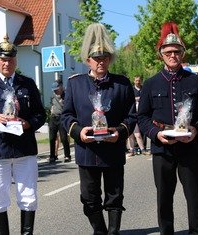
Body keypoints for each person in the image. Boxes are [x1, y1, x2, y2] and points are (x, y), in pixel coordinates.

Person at [138, 22, 198, 235]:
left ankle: (197, 232)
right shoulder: (151, 84)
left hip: (190, 148)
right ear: (161, 54)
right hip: (162, 149)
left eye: (177, 51)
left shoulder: (196, 81)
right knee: (163, 197)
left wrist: (197, 130)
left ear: (182, 53)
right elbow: (142, 117)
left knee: (195, 196)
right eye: (168, 52)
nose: (173, 55)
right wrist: (155, 134)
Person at [61, 23, 136, 235]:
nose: (100, 62)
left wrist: (119, 133)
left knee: (114, 196)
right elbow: (66, 116)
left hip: (112, 150)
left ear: (110, 59)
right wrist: (78, 132)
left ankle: (113, 232)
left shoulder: (122, 84)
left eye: (104, 57)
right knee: (89, 197)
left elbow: (131, 116)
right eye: (96, 58)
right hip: (87, 152)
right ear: (88, 60)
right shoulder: (75, 84)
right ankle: (100, 231)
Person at [0, 35, 46, 235]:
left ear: (16, 60)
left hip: (24, 149)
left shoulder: (27, 84)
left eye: (10, 59)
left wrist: (28, 123)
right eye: (3, 59)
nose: (7, 63)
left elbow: (40, 113)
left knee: (28, 197)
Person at [48, 80, 71, 163]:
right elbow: (52, 105)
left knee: (64, 138)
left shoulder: (66, 95)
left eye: (57, 89)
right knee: (51, 138)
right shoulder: (52, 96)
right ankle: (52, 156)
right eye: (54, 90)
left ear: (61, 87)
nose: (55, 91)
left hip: (62, 118)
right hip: (53, 118)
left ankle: (67, 155)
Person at [127, 76, 150, 156]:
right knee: (131, 135)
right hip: (132, 114)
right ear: (134, 81)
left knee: (140, 133)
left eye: (139, 80)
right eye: (136, 80)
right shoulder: (131, 89)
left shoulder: (144, 89)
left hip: (142, 113)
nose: (138, 82)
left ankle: (143, 149)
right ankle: (132, 150)